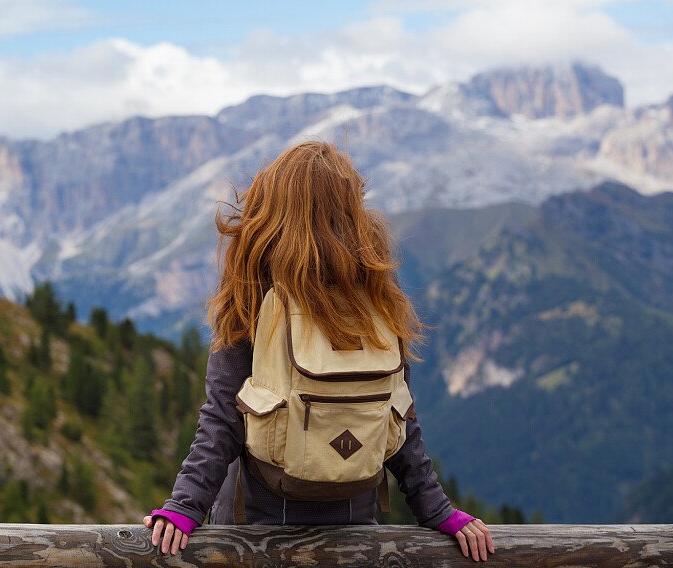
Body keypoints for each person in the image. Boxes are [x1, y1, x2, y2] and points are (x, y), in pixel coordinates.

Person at [143, 141, 495, 562]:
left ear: (274, 209)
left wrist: (185, 506)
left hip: (255, 527)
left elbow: (223, 417)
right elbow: (399, 416)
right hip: (355, 527)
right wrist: (437, 510)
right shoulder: (377, 298)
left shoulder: (254, 294)